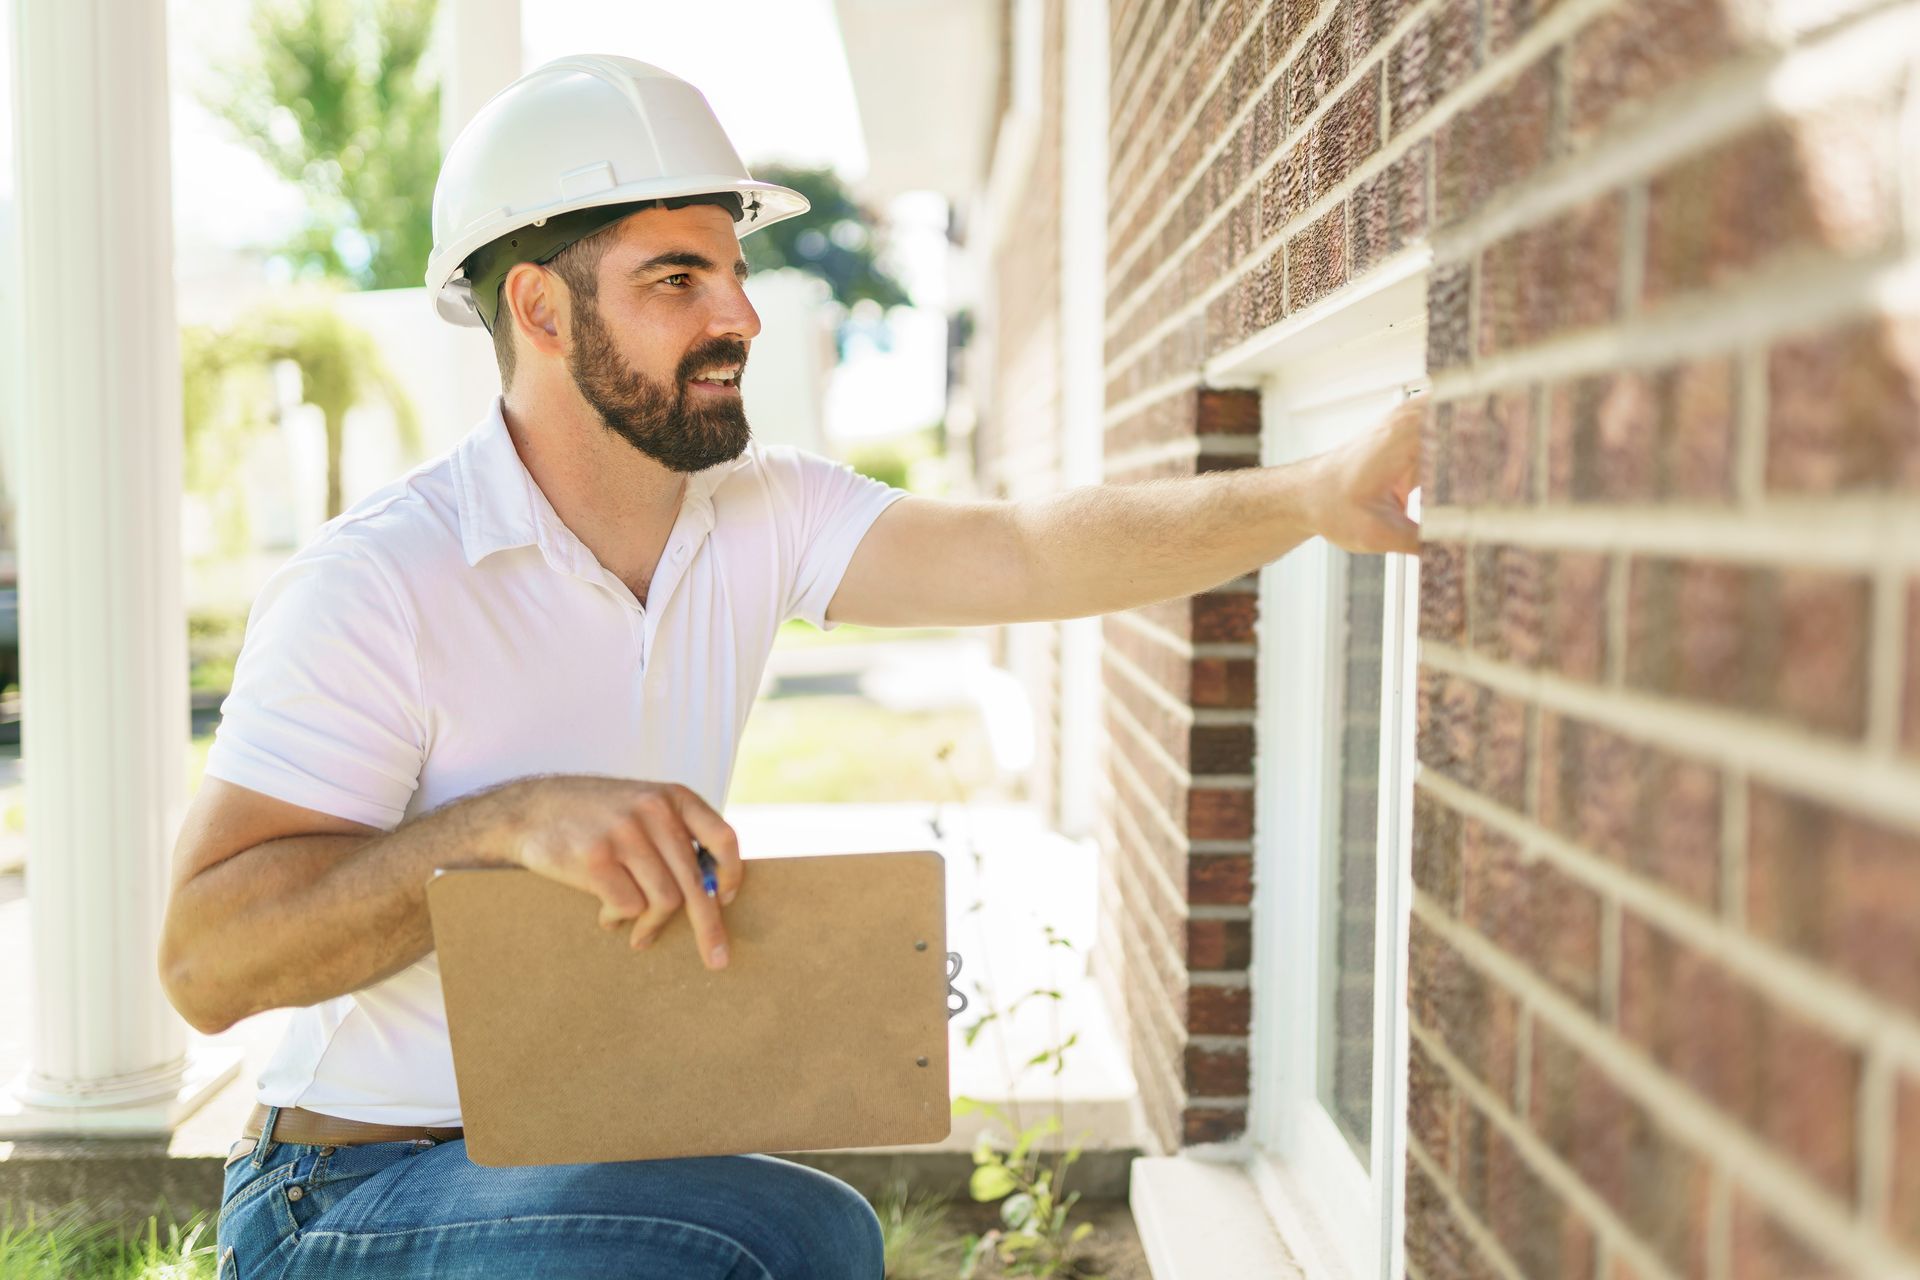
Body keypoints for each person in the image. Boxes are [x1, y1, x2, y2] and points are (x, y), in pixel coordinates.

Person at [160, 55, 1419, 1279]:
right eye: (677, 276)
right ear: (541, 309)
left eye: (736, 268)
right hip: (343, 1198)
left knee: (780, 1217)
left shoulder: (757, 512)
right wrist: (508, 825)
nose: (742, 314)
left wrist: (1311, 490)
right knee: (783, 1236)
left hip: (584, 1146)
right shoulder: (380, 581)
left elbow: (1024, 554)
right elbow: (207, 964)